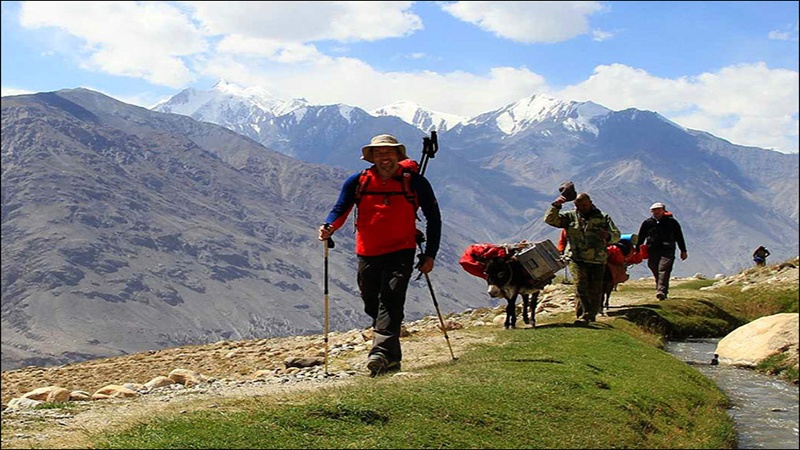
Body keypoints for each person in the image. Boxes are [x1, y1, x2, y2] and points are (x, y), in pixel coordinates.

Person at [318, 134, 441, 377]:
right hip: (367, 251)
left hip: (402, 249)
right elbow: (341, 208)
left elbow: (434, 218)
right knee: (372, 302)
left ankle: (380, 354)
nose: (384, 158)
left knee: (392, 299)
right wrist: (329, 226)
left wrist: (430, 254)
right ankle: (392, 359)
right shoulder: (358, 181)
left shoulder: (415, 182)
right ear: (371, 157)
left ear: (398, 155)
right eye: (378, 153)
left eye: (389, 153)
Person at [544, 192, 620, 324]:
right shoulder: (570, 217)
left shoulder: (603, 217)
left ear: (590, 203)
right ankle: (585, 315)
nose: (582, 208)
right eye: (579, 206)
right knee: (581, 285)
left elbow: (616, 235)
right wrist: (556, 206)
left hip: (597, 259)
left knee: (596, 288)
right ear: (575, 205)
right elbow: (550, 220)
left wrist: (607, 236)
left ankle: (589, 315)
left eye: (584, 205)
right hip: (577, 258)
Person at [636, 202, 687, 301]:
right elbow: (641, 236)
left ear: (663, 210)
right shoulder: (647, 223)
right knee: (654, 267)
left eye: (659, 210)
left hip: (668, 250)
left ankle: (661, 291)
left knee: (663, 269)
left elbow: (679, 237)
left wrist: (683, 250)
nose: (656, 212)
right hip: (652, 249)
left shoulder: (672, 222)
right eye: (654, 210)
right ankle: (660, 286)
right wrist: (637, 249)